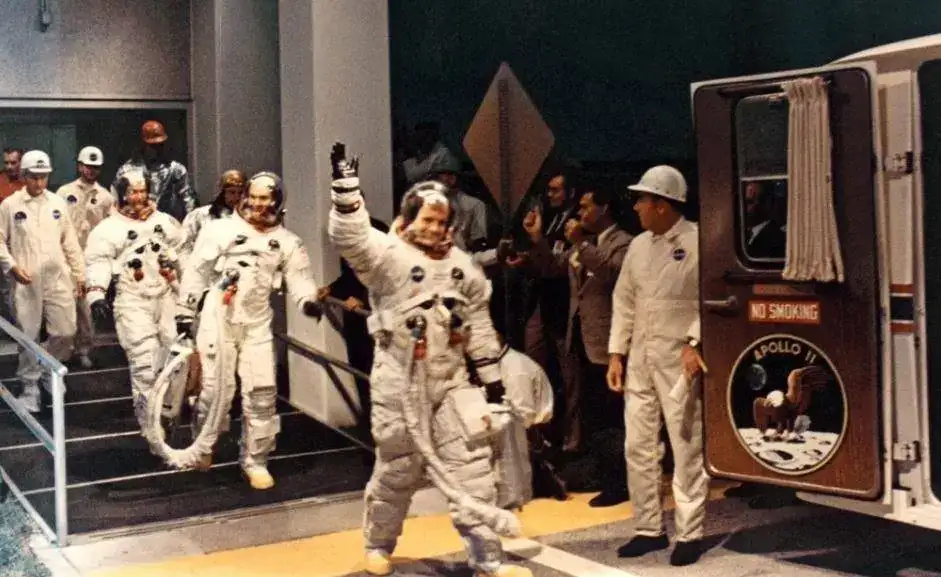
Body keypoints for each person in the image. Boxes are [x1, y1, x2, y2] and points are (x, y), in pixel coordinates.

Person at [327, 142, 530, 577]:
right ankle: (378, 544)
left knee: (473, 468)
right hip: (399, 382)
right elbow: (351, 239)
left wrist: (493, 382)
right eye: (427, 220)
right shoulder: (389, 257)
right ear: (408, 219)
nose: (435, 228)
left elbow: (477, 326)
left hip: (452, 382)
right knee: (398, 469)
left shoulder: (462, 267)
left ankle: (487, 558)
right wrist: (346, 193)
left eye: (441, 221)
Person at [175, 171, 323, 490]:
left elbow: (300, 279)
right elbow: (197, 271)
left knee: (262, 393)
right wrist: (185, 311)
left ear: (277, 201)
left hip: (256, 323)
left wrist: (308, 302)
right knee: (214, 389)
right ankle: (203, 445)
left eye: (264, 198)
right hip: (218, 318)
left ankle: (255, 460)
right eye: (253, 197)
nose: (257, 204)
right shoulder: (219, 230)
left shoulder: (287, 242)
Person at [606, 165, 707, 567]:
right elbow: (624, 301)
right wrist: (617, 353)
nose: (636, 207)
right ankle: (648, 528)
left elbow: (711, 300)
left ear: (662, 204)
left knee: (686, 445)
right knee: (638, 445)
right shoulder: (638, 246)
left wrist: (695, 342)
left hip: (678, 359)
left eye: (642, 200)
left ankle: (690, 532)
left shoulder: (699, 242)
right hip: (641, 360)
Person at [84, 170, 183, 434]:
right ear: (121, 194)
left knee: (175, 359)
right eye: (132, 192)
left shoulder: (165, 222)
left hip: (166, 296)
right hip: (132, 300)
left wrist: (186, 288)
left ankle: (167, 412)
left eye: (142, 191)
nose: (138, 197)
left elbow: (184, 253)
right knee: (145, 364)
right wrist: (96, 294)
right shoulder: (108, 229)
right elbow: (97, 262)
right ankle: (150, 427)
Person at [0, 150, 84, 413]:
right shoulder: (10, 205)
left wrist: (80, 275)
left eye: (44, 177)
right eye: (34, 177)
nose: (39, 182)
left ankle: (49, 369)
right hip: (26, 280)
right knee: (28, 333)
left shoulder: (57, 203)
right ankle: (30, 387)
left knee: (66, 330)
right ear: (24, 175)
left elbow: (70, 242)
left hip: (58, 277)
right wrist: (12, 266)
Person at [56, 146, 115, 368]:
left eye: (95, 167)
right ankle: (63, 350)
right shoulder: (64, 192)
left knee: (86, 308)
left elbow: (110, 227)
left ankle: (84, 349)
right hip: (66, 256)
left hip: (91, 257)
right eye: (87, 166)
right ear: (80, 166)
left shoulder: (106, 197)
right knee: (64, 305)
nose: (91, 170)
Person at [112, 120, 196, 222]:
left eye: (161, 145)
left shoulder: (176, 169)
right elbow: (115, 200)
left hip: (166, 223)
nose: (158, 149)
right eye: (153, 146)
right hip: (135, 223)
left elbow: (188, 201)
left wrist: (189, 225)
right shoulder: (126, 170)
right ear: (143, 145)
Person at [178, 169, 246, 265]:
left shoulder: (248, 219)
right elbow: (183, 245)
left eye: (240, 193)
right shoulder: (201, 215)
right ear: (223, 193)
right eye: (231, 192)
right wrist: (187, 267)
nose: (236, 197)